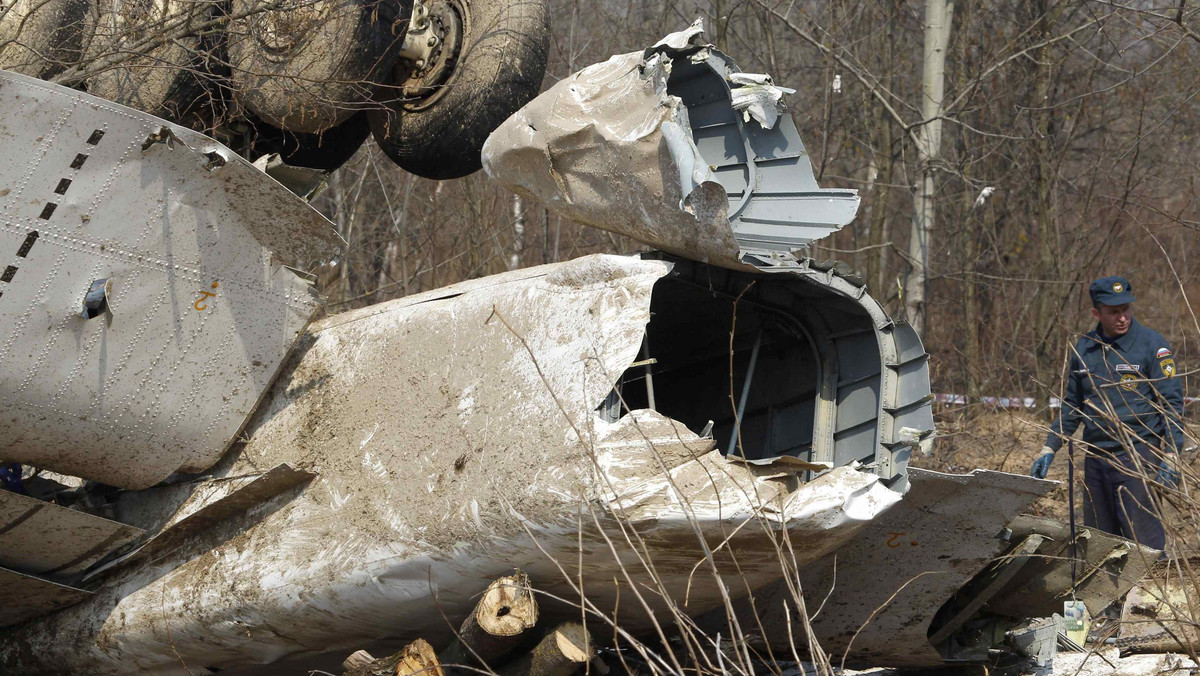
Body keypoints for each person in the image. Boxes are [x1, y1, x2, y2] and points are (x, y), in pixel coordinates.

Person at [1030, 275, 1190, 551]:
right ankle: (1111, 594)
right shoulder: (1085, 349)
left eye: (1126, 309)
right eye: (1113, 312)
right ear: (1096, 313)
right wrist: (1049, 446)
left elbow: (1171, 404)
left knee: (1143, 544)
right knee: (1098, 543)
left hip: (1138, 455)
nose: (1122, 318)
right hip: (1096, 458)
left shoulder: (1152, 346)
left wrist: (1173, 453)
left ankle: (1147, 593)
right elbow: (1073, 405)